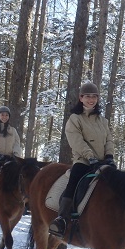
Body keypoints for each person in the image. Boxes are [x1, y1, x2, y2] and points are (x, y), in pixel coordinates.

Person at [49, 82, 115, 238]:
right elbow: (76, 140)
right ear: (81, 98)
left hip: (104, 163)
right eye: (88, 96)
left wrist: (109, 156)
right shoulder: (75, 118)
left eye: (94, 97)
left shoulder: (103, 121)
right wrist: (90, 157)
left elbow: (109, 140)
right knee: (74, 181)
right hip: (84, 161)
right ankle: (62, 219)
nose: (91, 100)